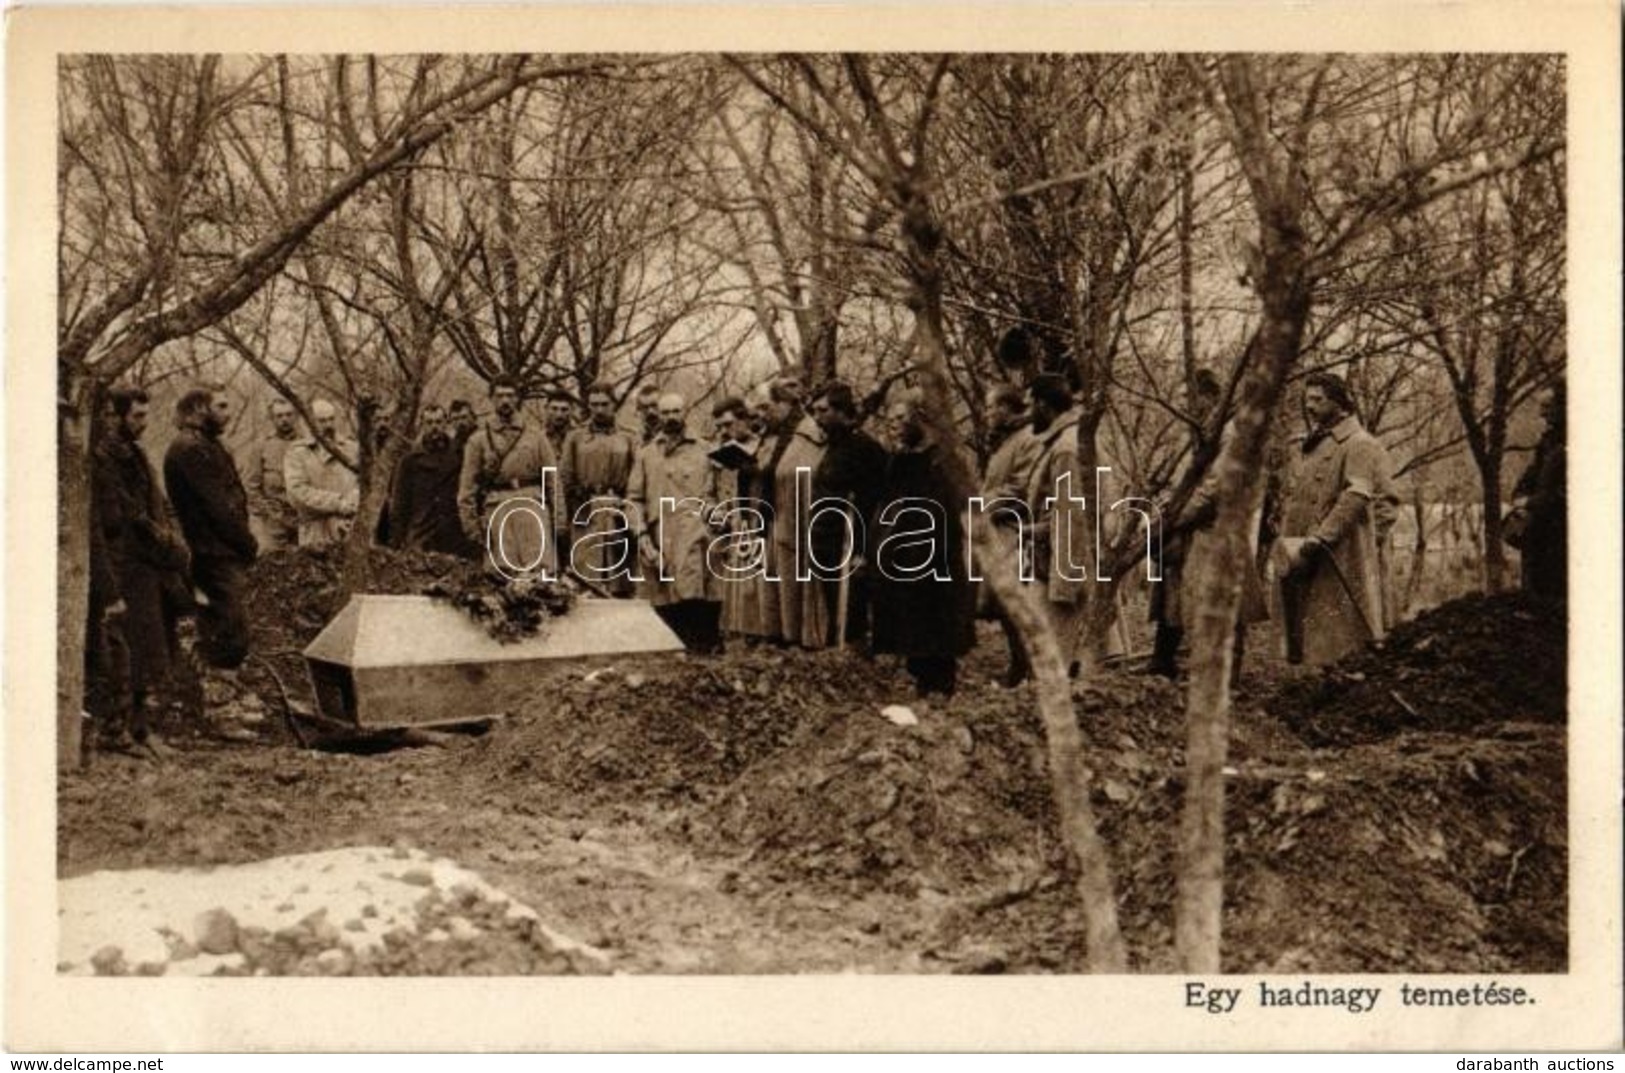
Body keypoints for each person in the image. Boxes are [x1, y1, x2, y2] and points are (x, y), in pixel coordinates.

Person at [1274, 372, 1397, 667]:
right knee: (1318, 632)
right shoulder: (1317, 444)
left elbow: (1366, 497)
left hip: (1339, 551)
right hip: (1308, 550)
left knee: (1346, 637)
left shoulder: (1359, 443)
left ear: (1340, 404)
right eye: (1307, 400)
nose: (1310, 406)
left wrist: (1353, 544)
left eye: (1318, 399)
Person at [92, 386, 192, 750]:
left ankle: (142, 730)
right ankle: (123, 732)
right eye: (137, 416)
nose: (144, 423)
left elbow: (159, 506)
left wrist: (176, 543)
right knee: (130, 653)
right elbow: (129, 517)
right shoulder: (102, 459)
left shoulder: (136, 454)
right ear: (115, 416)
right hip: (126, 568)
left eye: (146, 415)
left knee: (154, 650)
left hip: (150, 567)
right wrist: (169, 544)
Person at [870, 391, 976, 697]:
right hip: (905, 563)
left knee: (937, 639)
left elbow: (941, 516)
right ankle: (924, 690)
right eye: (891, 420)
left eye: (902, 418)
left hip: (934, 564)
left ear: (921, 418)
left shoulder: (943, 462)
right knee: (914, 638)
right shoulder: (901, 461)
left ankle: (941, 695)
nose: (895, 425)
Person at [164, 386, 258, 671]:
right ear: (197, 410)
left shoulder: (206, 444)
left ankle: (216, 685)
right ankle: (215, 687)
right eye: (221, 406)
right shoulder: (190, 449)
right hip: (214, 554)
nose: (227, 414)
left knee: (228, 628)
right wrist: (247, 543)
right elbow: (217, 508)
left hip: (222, 551)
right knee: (231, 631)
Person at [625, 393, 723, 652]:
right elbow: (634, 499)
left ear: (685, 413)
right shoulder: (646, 454)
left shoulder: (705, 450)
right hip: (659, 534)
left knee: (696, 593)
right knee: (663, 598)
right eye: (666, 412)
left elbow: (716, 492)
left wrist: (714, 518)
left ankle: (703, 650)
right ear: (659, 414)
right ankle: (676, 653)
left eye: (676, 412)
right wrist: (642, 533)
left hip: (695, 532)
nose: (671, 418)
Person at [747, 378, 828, 648]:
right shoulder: (777, 436)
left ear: (784, 404)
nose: (762, 414)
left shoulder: (807, 433)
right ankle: (778, 636)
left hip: (799, 520)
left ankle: (801, 640)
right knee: (776, 582)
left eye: (767, 407)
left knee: (796, 583)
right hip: (776, 517)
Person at [809, 382, 888, 648]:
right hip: (825, 542)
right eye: (815, 411)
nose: (817, 417)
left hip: (848, 545)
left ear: (841, 411)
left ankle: (856, 658)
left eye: (823, 410)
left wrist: (863, 550)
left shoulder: (865, 448)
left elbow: (876, 501)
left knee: (851, 612)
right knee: (833, 609)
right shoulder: (829, 447)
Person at [1023, 373, 1093, 672]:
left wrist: (1063, 584)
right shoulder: (1062, 442)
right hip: (1047, 560)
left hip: (1058, 567)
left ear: (1043, 405)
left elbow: (1070, 515)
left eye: (1030, 405)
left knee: (1054, 661)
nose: (1027, 414)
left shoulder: (1066, 447)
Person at [458, 376, 560, 576]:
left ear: (518, 399)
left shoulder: (536, 436)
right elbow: (467, 488)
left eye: (510, 396)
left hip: (532, 507)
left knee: (539, 574)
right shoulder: (478, 440)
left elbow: (552, 481)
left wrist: (559, 519)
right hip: (497, 510)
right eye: (500, 396)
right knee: (501, 575)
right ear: (491, 399)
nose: (505, 401)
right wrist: (472, 526)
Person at [979, 383, 1042, 686]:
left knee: (1015, 602)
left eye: (991, 407)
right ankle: (1019, 666)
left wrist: (985, 505)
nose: (987, 413)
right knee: (1004, 604)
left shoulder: (1027, 439)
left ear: (1007, 408)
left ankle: (1025, 670)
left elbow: (1021, 487)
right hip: (1000, 532)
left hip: (1018, 533)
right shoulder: (1005, 441)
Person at [560, 382, 639, 593]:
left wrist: (630, 508)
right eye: (594, 404)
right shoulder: (575, 437)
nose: (599, 410)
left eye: (604, 404)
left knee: (619, 577)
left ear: (614, 404)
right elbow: (565, 477)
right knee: (585, 577)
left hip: (617, 508)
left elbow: (637, 476)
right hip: (585, 508)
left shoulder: (629, 437)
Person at [709, 395, 766, 639]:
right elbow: (708, 493)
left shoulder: (764, 447)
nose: (725, 431)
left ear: (743, 419)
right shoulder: (720, 453)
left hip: (758, 525)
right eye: (720, 426)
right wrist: (714, 511)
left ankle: (761, 638)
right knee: (731, 591)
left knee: (757, 587)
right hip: (730, 531)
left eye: (729, 424)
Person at [1507, 382, 1566, 604]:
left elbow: (1564, 494)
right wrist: (1519, 500)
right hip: (1538, 531)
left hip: (1559, 536)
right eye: (1541, 407)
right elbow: (1530, 476)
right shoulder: (1547, 441)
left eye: (1548, 406)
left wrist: (1530, 502)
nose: (1542, 413)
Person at [386, 405, 468, 556]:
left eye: (438, 422)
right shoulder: (409, 460)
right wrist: (396, 542)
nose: (434, 427)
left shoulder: (459, 455)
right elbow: (399, 504)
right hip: (421, 532)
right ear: (422, 425)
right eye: (429, 423)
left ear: (446, 423)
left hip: (452, 533)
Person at [283, 399, 360, 548]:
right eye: (322, 421)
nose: (328, 425)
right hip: (315, 530)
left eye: (331, 419)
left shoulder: (352, 448)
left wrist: (353, 502)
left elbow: (364, 483)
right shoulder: (297, 453)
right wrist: (337, 503)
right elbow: (297, 493)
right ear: (311, 423)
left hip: (350, 527)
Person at [243, 398, 302, 551]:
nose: (285, 419)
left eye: (289, 415)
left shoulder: (308, 444)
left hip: (304, 520)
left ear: (295, 416)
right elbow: (251, 488)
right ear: (272, 419)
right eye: (279, 416)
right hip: (274, 522)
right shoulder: (261, 446)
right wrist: (270, 513)